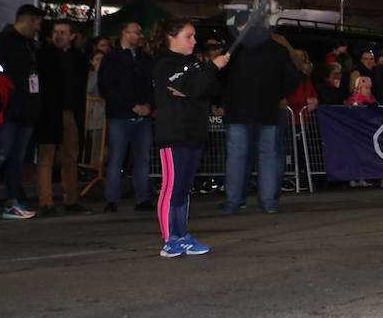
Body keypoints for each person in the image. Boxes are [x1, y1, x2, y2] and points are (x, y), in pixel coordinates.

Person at [152, 19, 230, 257]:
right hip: (174, 133)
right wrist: (208, 71)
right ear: (172, 37)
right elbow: (190, 86)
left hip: (195, 131)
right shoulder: (164, 63)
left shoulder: (194, 63)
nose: (194, 41)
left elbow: (209, 90)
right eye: (189, 36)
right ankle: (169, 239)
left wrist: (195, 86)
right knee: (171, 186)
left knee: (184, 188)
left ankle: (182, 235)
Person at [219, 14, 302, 214]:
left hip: (238, 110)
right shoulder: (277, 49)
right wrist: (276, 94)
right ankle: (267, 202)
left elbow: (219, 75)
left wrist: (226, 99)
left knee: (237, 157)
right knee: (269, 157)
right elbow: (293, 77)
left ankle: (233, 201)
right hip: (269, 110)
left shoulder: (234, 48)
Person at [0, 3, 44, 219]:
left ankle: (12, 202)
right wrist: (4, 82)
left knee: (17, 159)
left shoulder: (30, 45)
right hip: (6, 111)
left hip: (26, 112)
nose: (39, 27)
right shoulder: (3, 42)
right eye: (37, 22)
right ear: (29, 20)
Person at [98, 21, 155, 213]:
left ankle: (142, 198)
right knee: (117, 157)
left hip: (142, 116)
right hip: (120, 116)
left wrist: (148, 105)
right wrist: (132, 106)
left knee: (142, 158)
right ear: (125, 33)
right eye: (136, 32)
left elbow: (152, 85)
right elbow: (107, 87)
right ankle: (112, 199)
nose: (140, 35)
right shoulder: (111, 58)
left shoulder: (145, 59)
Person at [35, 19, 88, 215]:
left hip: (71, 112)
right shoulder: (44, 55)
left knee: (70, 158)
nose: (58, 35)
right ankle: (45, 202)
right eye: (56, 32)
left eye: (63, 32)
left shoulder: (78, 58)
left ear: (72, 36)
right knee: (46, 158)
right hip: (50, 112)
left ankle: (71, 200)